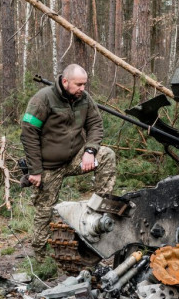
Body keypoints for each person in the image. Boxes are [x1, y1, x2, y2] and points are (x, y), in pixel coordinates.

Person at [21, 64, 116, 260]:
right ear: (65, 82)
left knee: (106, 155)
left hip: (75, 157)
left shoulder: (84, 99)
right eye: (79, 84)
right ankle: (40, 257)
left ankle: (98, 213)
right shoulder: (43, 99)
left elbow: (95, 124)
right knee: (44, 210)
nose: (83, 88)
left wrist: (90, 151)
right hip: (49, 166)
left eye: (84, 84)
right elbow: (28, 133)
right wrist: (35, 170)